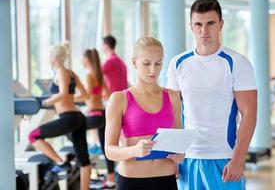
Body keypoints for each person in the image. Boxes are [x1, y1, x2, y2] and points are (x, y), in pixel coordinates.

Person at [167, 0, 257, 190]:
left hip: (224, 158)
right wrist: (174, 155)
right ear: (191, 26)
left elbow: (249, 115)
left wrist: (238, 159)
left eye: (210, 23)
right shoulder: (177, 63)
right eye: (198, 24)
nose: (204, 30)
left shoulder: (238, 63)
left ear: (221, 24)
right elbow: (173, 114)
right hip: (188, 159)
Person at [105, 37, 184, 190]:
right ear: (134, 62)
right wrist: (134, 150)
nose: (153, 70)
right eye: (146, 63)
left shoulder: (173, 97)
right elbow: (109, 150)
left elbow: (177, 142)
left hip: (166, 181)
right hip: (132, 182)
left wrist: (179, 155)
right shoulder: (119, 99)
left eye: (158, 63)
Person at [28, 42, 91, 190]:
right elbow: (85, 95)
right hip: (77, 117)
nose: (48, 58)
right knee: (84, 160)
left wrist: (44, 103)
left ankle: (61, 163)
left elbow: (62, 94)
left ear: (54, 58)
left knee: (33, 136)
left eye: (49, 55)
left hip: (69, 118)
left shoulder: (61, 72)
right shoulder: (71, 73)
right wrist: (70, 99)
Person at [81, 48, 116, 189]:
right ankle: (111, 180)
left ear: (87, 59)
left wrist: (71, 97)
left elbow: (87, 95)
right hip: (102, 114)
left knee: (74, 131)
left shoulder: (89, 75)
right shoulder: (99, 75)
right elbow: (107, 94)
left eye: (82, 58)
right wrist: (96, 95)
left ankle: (85, 156)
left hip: (94, 113)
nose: (81, 61)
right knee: (106, 148)